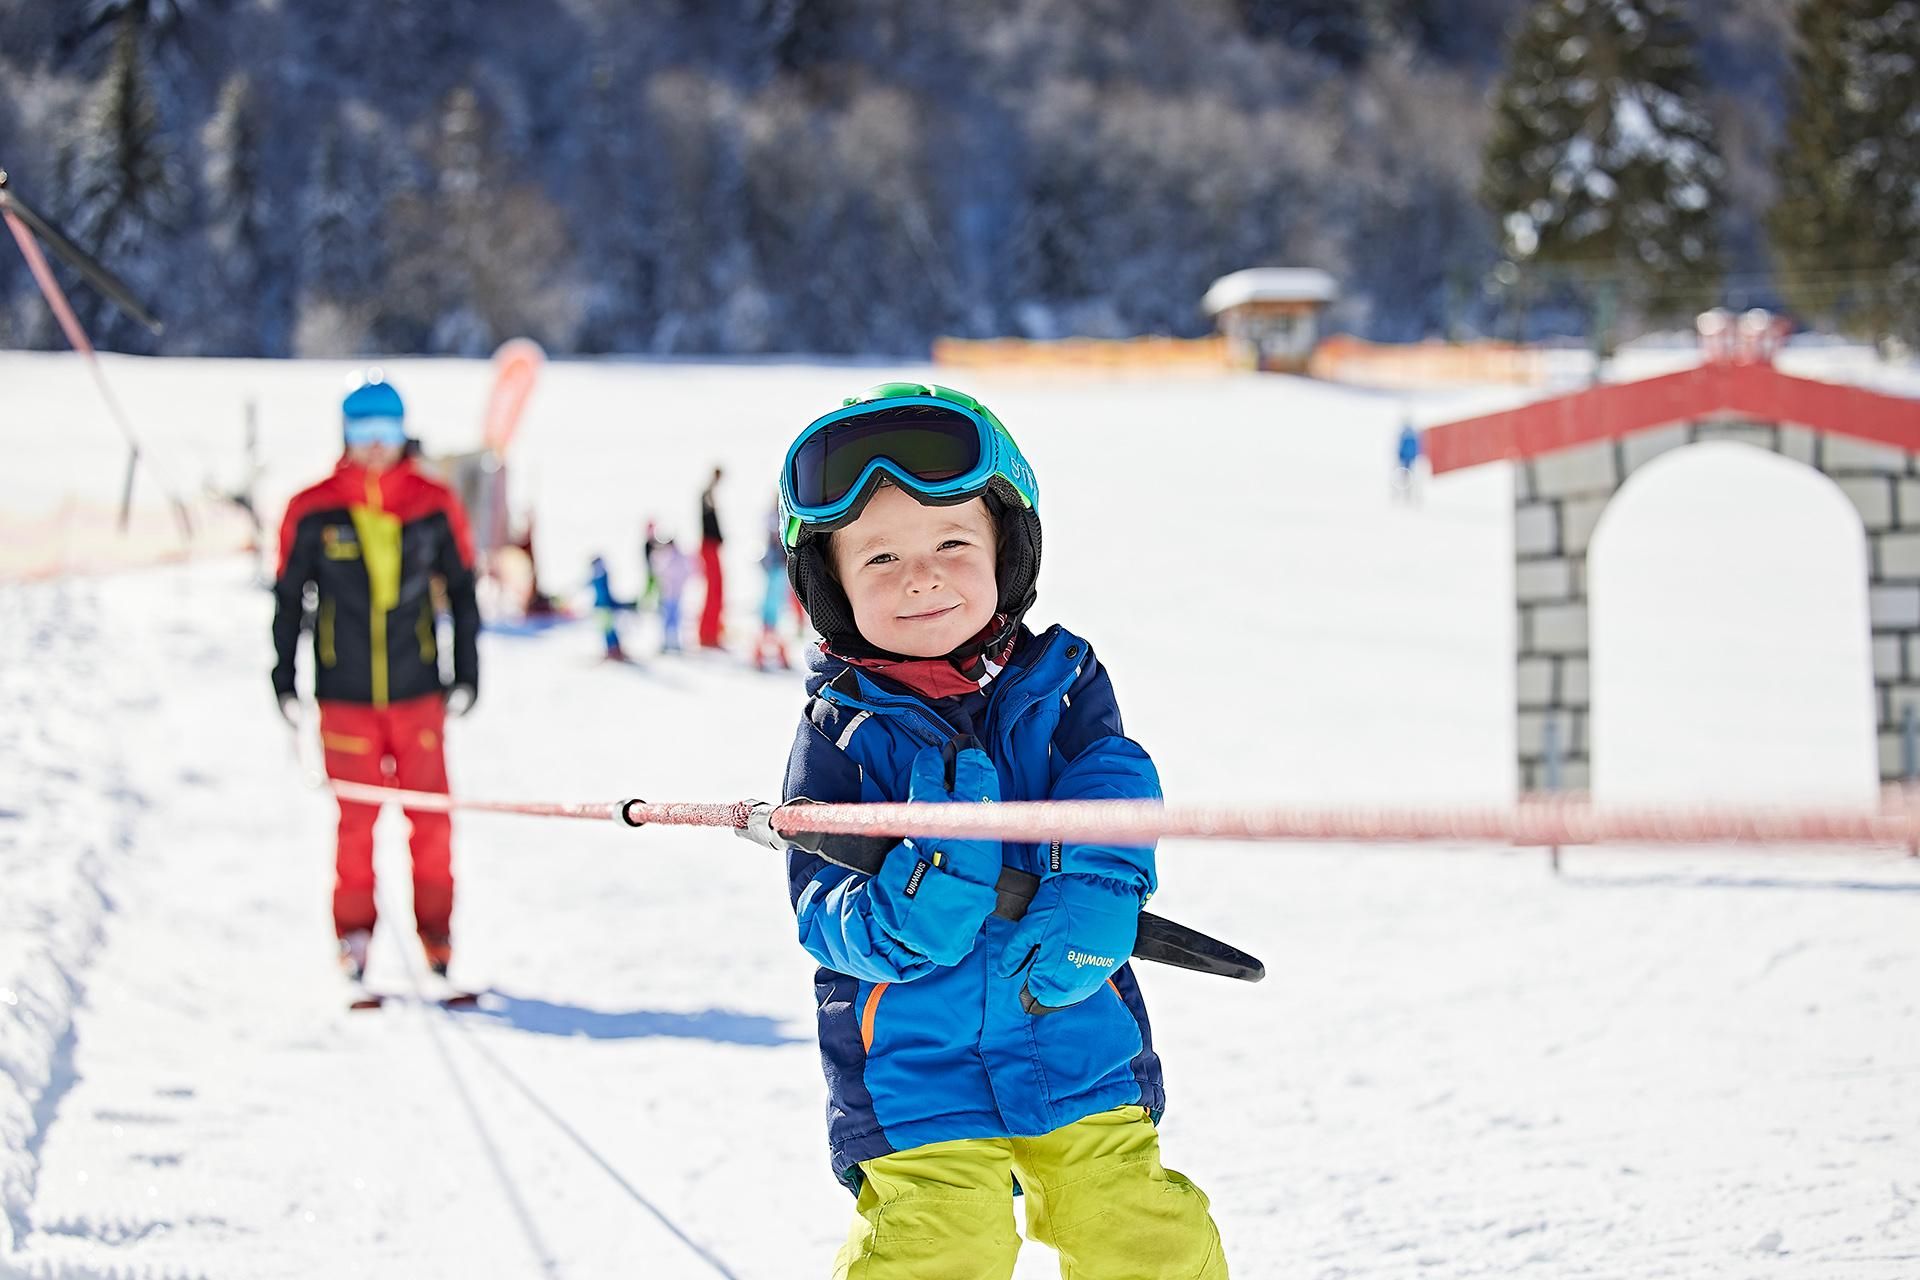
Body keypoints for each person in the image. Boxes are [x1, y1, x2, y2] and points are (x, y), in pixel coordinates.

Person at [776, 383, 1227, 1278]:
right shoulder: (838, 732)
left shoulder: (1061, 683)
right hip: (912, 1068)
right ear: (830, 585)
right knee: (936, 1246)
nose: (922, 575)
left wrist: (1101, 886)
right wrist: (908, 912)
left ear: (1005, 552)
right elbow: (819, 908)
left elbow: (1111, 781)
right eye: (879, 559)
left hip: (1071, 1026)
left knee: (1136, 1230)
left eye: (952, 541)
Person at [272, 372, 480, 984]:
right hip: (346, 699)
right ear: (345, 434)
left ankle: (437, 934)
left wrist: (466, 674)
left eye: (385, 429)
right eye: (362, 430)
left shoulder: (432, 500)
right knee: (356, 825)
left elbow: (464, 593)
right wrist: (283, 680)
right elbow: (288, 600)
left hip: (419, 695)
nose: (375, 444)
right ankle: (353, 935)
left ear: (402, 431)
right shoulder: (312, 508)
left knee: (433, 823)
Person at [753, 506, 792, 671]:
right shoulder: (775, 520)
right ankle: (762, 655)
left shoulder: (776, 520)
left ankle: (772, 655)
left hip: (778, 569)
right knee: (771, 616)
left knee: (774, 616)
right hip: (776, 568)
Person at [697, 466, 726, 648]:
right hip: (709, 547)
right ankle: (707, 634)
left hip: (711, 547)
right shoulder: (707, 494)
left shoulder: (709, 494)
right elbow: (705, 496)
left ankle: (713, 631)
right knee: (714, 591)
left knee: (717, 590)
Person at [650, 531, 692, 654]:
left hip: (673, 594)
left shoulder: (673, 557)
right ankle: (668, 642)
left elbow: (683, 573)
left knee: (674, 619)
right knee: (668, 619)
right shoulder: (666, 556)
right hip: (669, 594)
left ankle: (673, 642)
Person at [587, 554, 633, 661]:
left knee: (609, 630)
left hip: (605, 607)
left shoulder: (601, 575)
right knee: (607, 629)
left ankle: (614, 650)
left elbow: (604, 594)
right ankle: (612, 649)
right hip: (602, 607)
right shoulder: (598, 575)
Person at [1393, 420, 1423, 503]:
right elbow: (1417, 447)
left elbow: (1401, 447)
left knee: (1406, 476)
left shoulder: (1405, 434)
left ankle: (1404, 494)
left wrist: (1399, 455)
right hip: (1409, 459)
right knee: (1408, 476)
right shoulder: (1413, 435)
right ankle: (1405, 494)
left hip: (1407, 459)